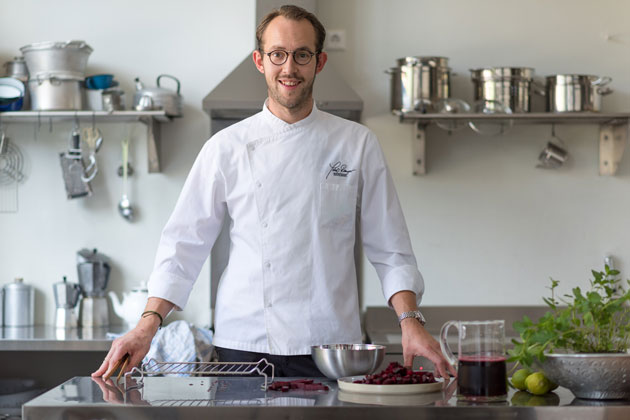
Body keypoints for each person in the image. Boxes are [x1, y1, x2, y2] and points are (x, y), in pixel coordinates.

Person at [92, 4, 456, 380]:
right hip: (243, 345)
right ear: (260, 61)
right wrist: (146, 325)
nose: (289, 67)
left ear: (319, 62)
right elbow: (184, 244)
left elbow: (390, 245)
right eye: (277, 54)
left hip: (330, 348)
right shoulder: (226, 147)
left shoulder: (356, 143)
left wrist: (410, 321)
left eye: (301, 55)